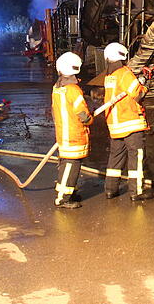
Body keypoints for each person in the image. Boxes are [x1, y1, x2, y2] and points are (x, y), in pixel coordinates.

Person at [102, 42, 154, 201]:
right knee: (136, 157)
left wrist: (141, 79)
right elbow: (138, 95)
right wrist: (148, 81)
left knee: (115, 158)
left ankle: (110, 190)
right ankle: (136, 192)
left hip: (115, 125)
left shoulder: (109, 76)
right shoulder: (124, 73)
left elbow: (126, 90)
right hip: (130, 122)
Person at [51, 51, 93, 209]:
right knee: (71, 165)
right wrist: (89, 119)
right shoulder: (74, 90)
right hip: (74, 134)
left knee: (65, 165)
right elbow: (82, 112)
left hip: (63, 134)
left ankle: (70, 191)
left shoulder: (57, 88)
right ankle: (63, 198)